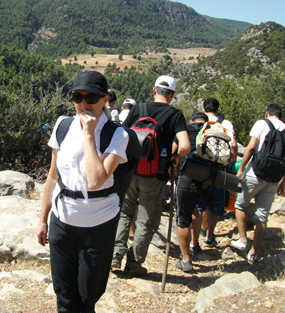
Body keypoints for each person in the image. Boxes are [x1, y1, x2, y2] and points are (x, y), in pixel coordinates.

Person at [36, 71, 129, 313]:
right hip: (63, 219)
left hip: (98, 222)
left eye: (91, 98)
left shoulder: (117, 135)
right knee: (64, 295)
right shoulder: (62, 125)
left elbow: (96, 180)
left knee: (88, 295)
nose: (83, 104)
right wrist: (43, 219)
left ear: (105, 99)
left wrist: (89, 134)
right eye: (77, 97)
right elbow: (53, 176)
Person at [112, 76, 190, 276]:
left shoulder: (138, 108)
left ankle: (115, 254)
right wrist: (173, 158)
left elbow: (121, 133)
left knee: (124, 212)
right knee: (146, 220)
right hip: (156, 174)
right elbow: (185, 146)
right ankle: (134, 263)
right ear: (172, 95)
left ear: (154, 91)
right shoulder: (175, 115)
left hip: (130, 169)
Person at [232, 103, 285, 263]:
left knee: (240, 205)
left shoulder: (261, 124)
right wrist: (284, 182)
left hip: (255, 173)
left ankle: (243, 240)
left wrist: (241, 169)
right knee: (262, 216)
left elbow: (251, 147)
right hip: (274, 178)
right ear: (280, 116)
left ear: (267, 113)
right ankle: (254, 252)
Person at [196, 98, 237, 248]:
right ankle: (209, 237)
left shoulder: (202, 123)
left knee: (201, 202)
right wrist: (231, 163)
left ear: (203, 109)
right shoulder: (226, 124)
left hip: (203, 169)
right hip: (220, 169)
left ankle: (200, 230)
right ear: (218, 110)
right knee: (216, 203)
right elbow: (233, 144)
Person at [174, 112, 212, 272]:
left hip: (187, 176)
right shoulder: (211, 131)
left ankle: (186, 259)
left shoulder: (185, 130)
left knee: (182, 218)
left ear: (192, 121)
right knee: (194, 207)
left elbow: (175, 151)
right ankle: (194, 244)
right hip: (207, 180)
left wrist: (173, 169)